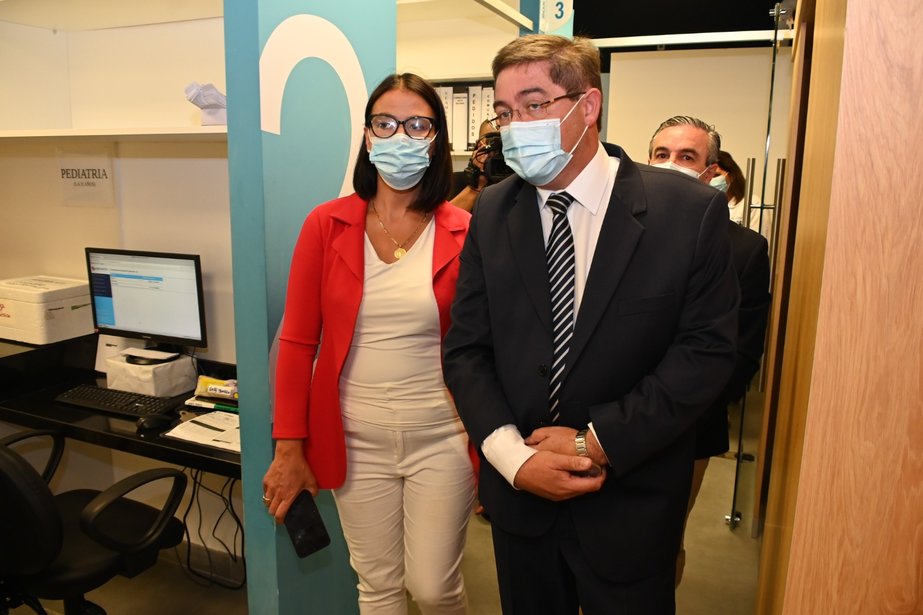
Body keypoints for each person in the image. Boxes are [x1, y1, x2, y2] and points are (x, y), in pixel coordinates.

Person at [442, 35, 739, 615]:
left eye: (534, 105)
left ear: (588, 106)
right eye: (505, 112)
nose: (516, 126)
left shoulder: (685, 213)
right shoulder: (493, 212)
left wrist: (596, 442)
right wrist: (513, 458)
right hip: (522, 505)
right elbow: (466, 350)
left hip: (630, 502)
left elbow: (704, 354)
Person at [262, 73, 476, 615]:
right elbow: (297, 342)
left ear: (436, 139)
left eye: (417, 124)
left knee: (434, 588)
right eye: (386, 123)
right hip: (354, 438)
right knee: (377, 585)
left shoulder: (465, 231)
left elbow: (483, 346)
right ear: (367, 135)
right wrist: (289, 446)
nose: (400, 135)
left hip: (442, 436)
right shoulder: (326, 224)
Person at [648, 116, 771, 586]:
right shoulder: (616, 231)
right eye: (661, 155)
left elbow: (741, 354)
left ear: (712, 171)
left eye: (687, 157)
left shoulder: (743, 249)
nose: (671, 165)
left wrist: (676, 405)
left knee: (662, 543)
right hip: (606, 421)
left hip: (690, 427)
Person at [450, 120, 514, 212]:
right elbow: (446, 219)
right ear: (479, 146)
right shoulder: (455, 182)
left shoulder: (525, 179)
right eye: (494, 143)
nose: (501, 151)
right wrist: (476, 186)